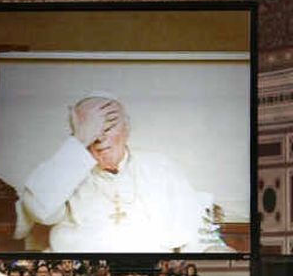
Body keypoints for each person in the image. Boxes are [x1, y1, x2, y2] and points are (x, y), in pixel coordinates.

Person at [15, 94, 228, 253]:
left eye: (108, 126)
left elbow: (193, 231)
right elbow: (39, 209)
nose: (98, 137)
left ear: (127, 129)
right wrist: (79, 142)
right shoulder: (65, 170)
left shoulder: (161, 168)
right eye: (88, 129)